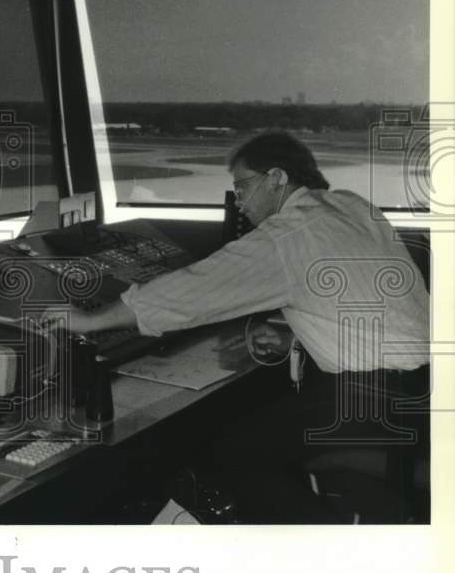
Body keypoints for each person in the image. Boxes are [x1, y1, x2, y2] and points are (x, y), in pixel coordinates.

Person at [57, 130, 431, 522]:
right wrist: (296, 334)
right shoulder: (351, 206)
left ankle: (326, 552)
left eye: (242, 186)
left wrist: (89, 320)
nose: (240, 201)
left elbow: (192, 290)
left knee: (229, 458)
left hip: (367, 398)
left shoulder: (287, 232)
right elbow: (366, 299)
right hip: (424, 388)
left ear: (277, 178)